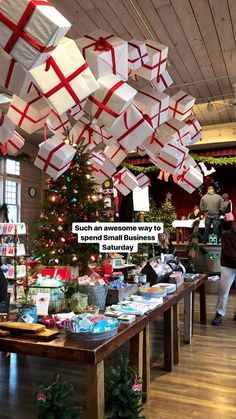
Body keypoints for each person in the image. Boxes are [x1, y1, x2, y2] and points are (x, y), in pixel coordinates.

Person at [212, 223, 236, 326]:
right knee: (224, 291)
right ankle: (219, 313)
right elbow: (229, 253)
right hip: (228, 265)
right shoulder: (226, 235)